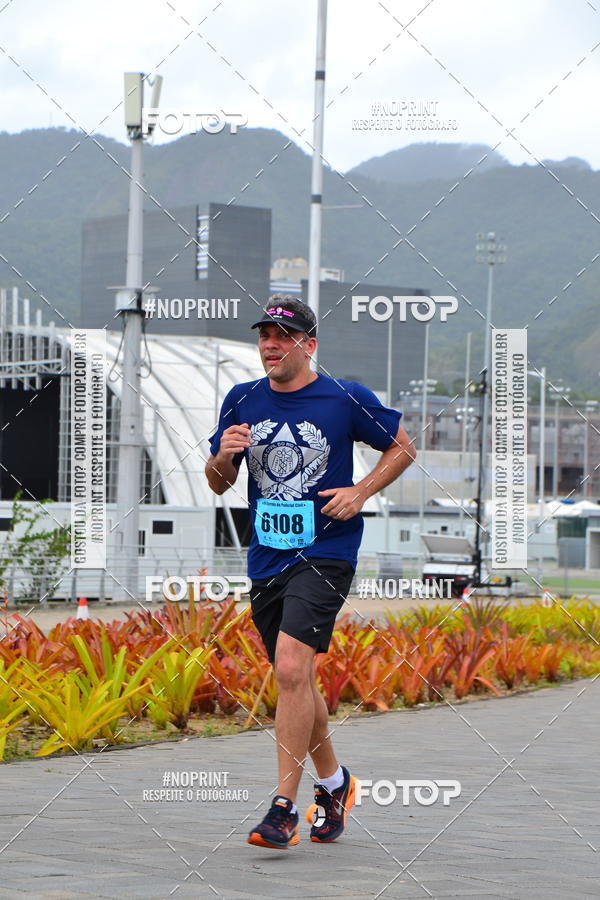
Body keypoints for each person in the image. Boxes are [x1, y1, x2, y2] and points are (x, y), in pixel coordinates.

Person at [205, 295, 416, 850]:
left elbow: (402, 446)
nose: (270, 345)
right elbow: (217, 484)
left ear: (309, 344)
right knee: (294, 677)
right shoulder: (242, 399)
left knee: (292, 665)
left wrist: (361, 490)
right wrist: (223, 458)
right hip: (267, 556)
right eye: (264, 336)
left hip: (326, 553)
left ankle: (282, 809)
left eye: (282, 336)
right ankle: (335, 783)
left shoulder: (344, 397)